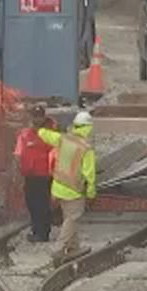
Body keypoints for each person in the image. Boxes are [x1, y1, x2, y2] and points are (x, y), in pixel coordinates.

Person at [37, 110, 97, 261]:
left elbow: (44, 134)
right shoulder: (86, 148)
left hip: (57, 187)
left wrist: (41, 126)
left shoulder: (63, 139)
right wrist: (91, 194)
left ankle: (74, 247)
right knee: (72, 218)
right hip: (73, 190)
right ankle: (59, 248)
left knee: (68, 217)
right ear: (88, 127)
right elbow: (90, 174)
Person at [15, 107, 54, 242]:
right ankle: (36, 230)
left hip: (44, 175)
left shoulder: (50, 133)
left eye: (39, 116)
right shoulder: (25, 134)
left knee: (42, 204)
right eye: (34, 116)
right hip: (29, 175)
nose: (36, 119)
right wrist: (17, 170)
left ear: (43, 117)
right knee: (31, 203)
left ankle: (43, 233)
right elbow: (18, 153)